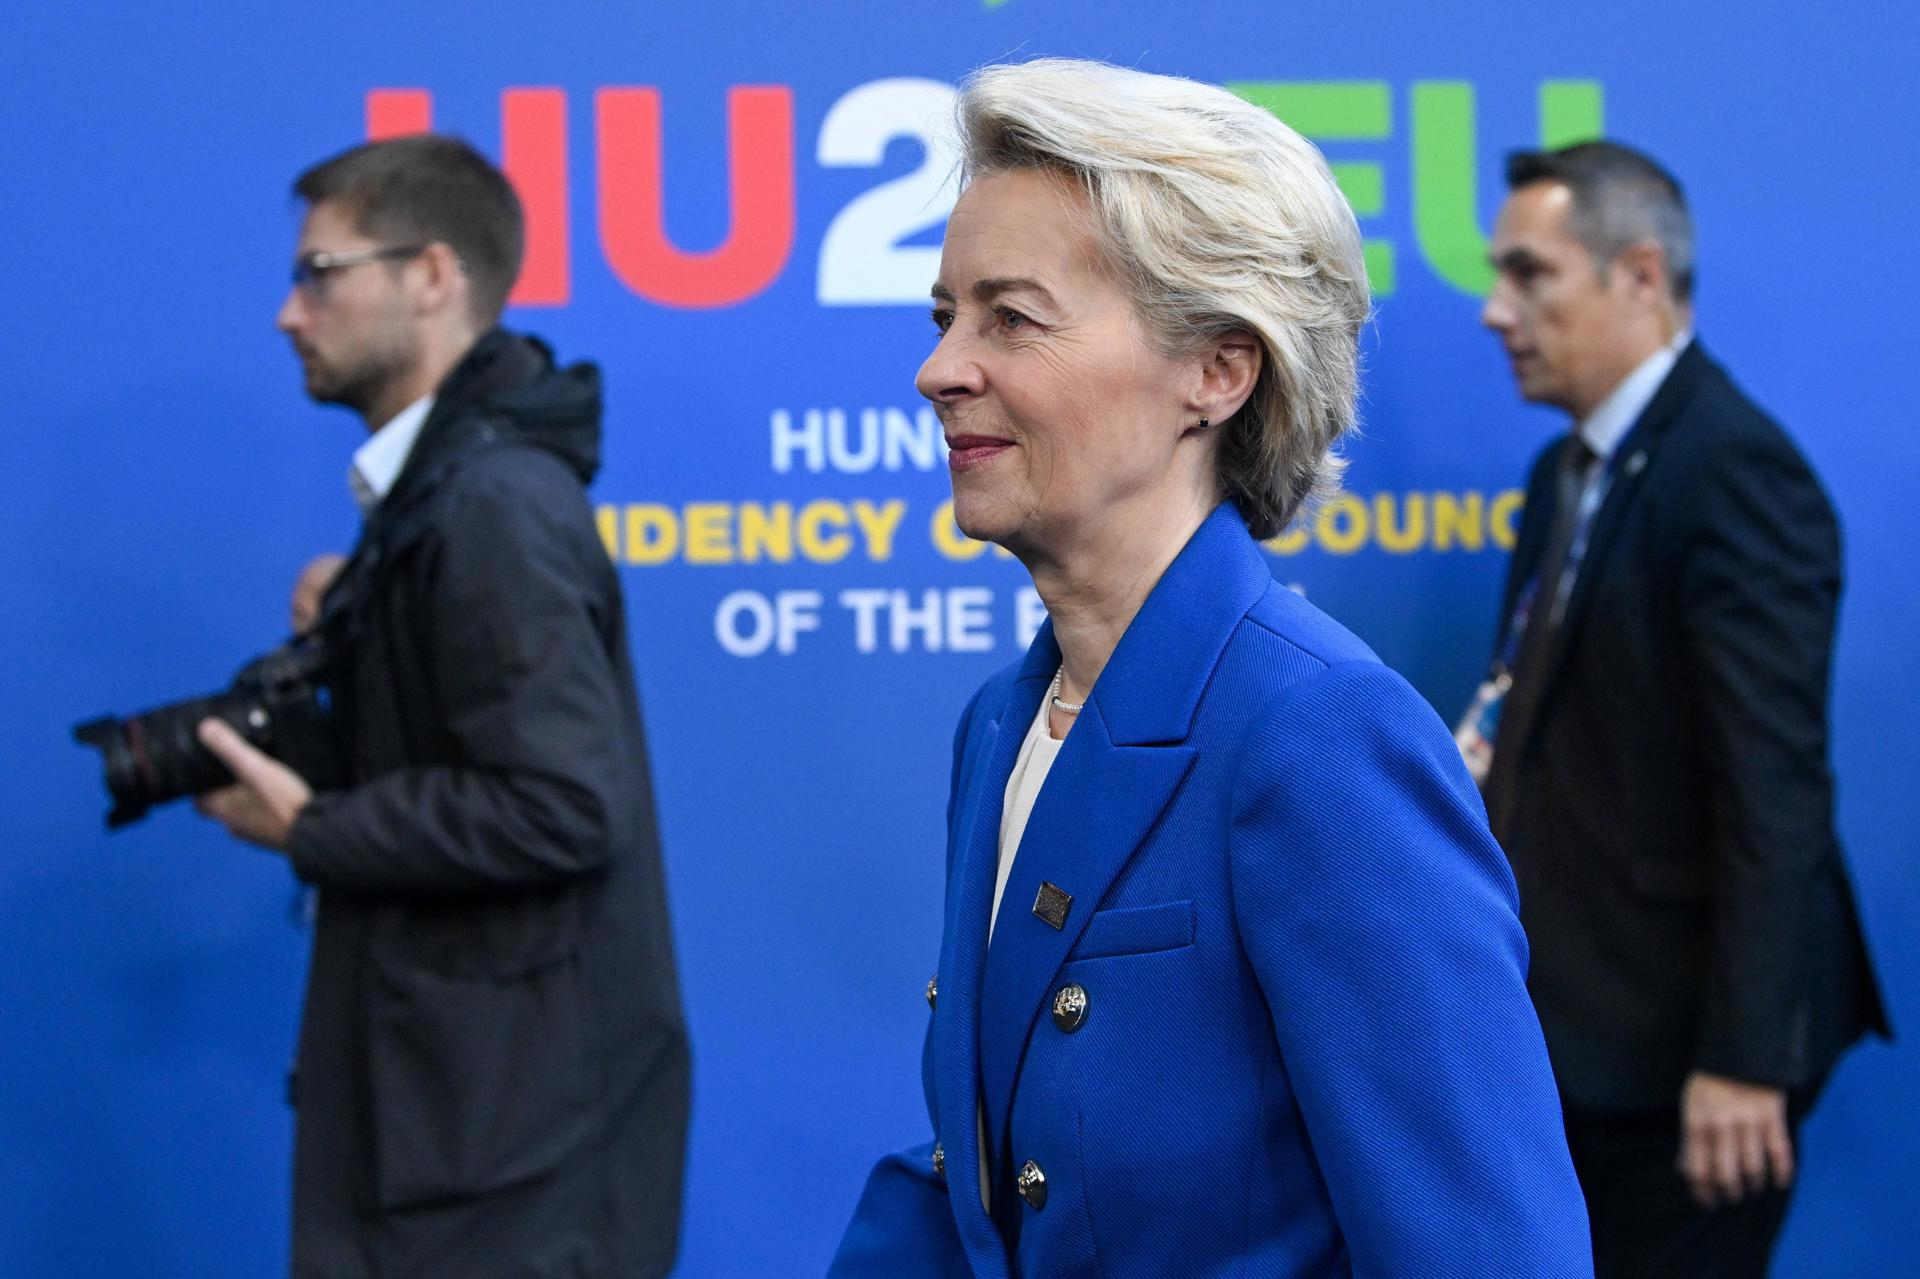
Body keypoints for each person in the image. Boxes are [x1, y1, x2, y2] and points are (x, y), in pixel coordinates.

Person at [830, 58, 1592, 1278]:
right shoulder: (998, 727)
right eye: (945, 318)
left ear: (1218, 371)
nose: (941, 369)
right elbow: (984, 1190)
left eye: (1010, 318)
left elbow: (1487, 1248)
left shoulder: (1318, 735)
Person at [191, 134, 690, 1278]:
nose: (287, 311)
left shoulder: (491, 505)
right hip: (457, 1134)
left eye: (321, 272)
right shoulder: (444, 501)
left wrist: (308, 828)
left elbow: (560, 806)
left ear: (431, 275)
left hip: (499, 1166)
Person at [1469, 140, 1889, 1277]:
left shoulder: (1735, 470)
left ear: (1640, 275)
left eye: (1529, 274)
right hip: (1583, 1032)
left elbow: (1774, 785)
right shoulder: (1564, 476)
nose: (1495, 311)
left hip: (1688, 1049)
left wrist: (1746, 1058)